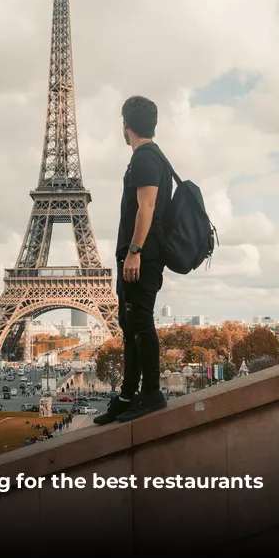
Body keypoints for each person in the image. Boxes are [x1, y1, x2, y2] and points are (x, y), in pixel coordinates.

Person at [94, 96, 171, 425]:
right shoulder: (151, 157)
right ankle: (128, 394)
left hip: (141, 256)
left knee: (140, 323)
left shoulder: (145, 159)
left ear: (126, 124)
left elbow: (147, 207)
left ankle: (151, 393)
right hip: (137, 254)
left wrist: (134, 251)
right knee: (130, 326)